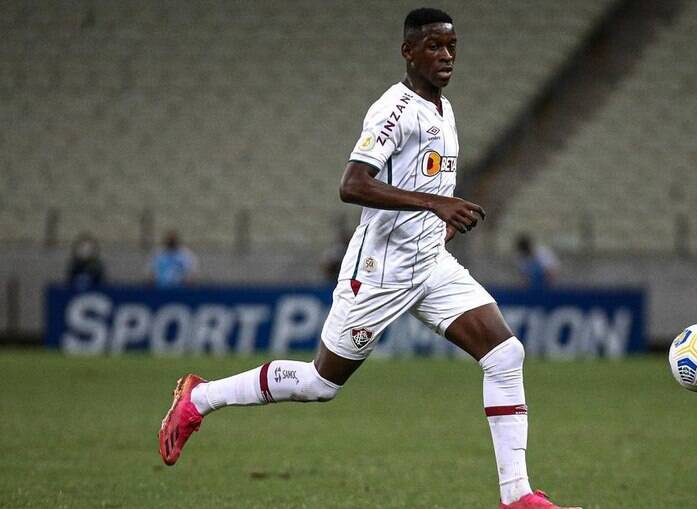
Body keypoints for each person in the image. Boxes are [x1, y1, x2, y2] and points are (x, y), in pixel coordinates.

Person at [158, 9, 580, 509]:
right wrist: (435, 204)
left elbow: (426, 183)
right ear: (408, 52)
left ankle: (518, 497)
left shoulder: (444, 109)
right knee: (320, 383)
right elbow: (351, 184)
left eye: (451, 46)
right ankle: (199, 398)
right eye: (433, 46)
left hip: (430, 263)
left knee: (505, 354)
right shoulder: (393, 111)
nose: (445, 56)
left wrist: (438, 222)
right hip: (380, 272)